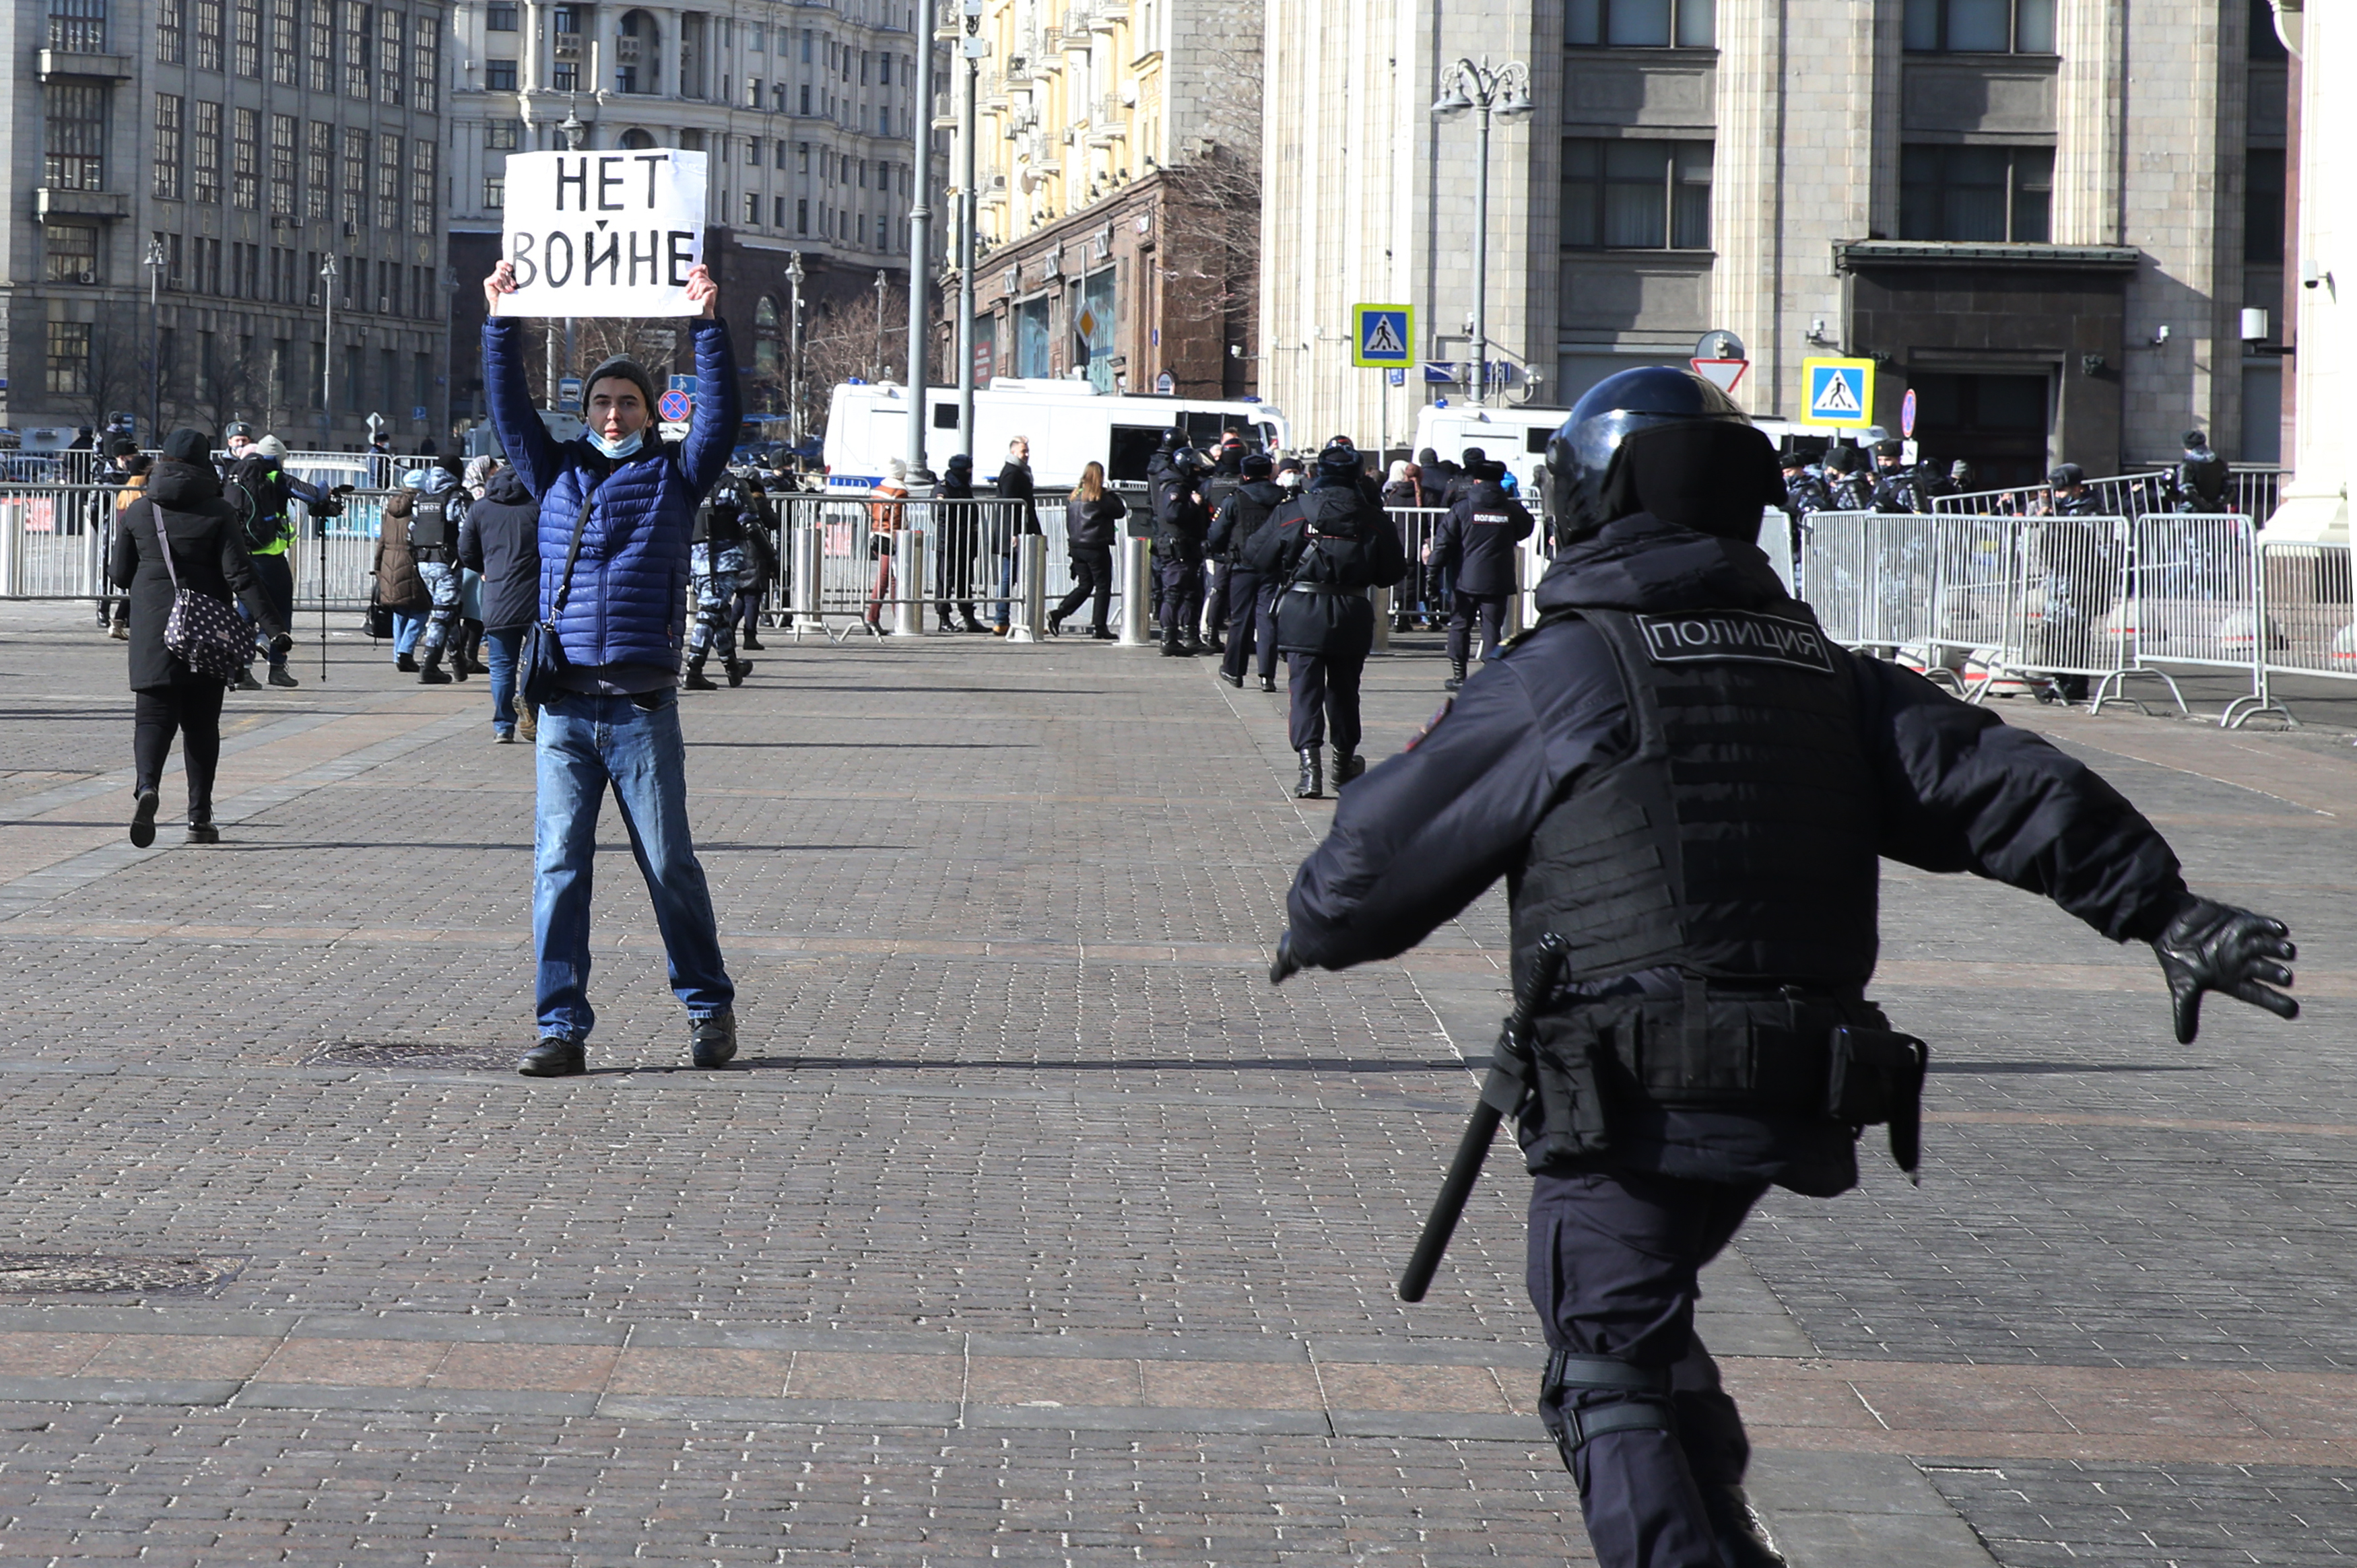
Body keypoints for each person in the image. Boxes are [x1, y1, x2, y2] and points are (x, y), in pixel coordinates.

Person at [1265, 366, 2300, 1568]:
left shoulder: (1569, 671)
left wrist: (1316, 925)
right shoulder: (1827, 670)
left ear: (1594, 494)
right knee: (1647, 1342)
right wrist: (2164, 908)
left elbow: (1379, 850)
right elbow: (2004, 782)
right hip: (1799, 1083)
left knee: (1605, 1366)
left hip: (1635, 1092)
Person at [481, 257, 741, 1077]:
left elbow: (720, 420)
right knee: (558, 867)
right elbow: (508, 410)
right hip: (562, 708)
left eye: (628, 401)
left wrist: (707, 323)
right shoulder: (554, 471)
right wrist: (500, 320)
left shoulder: (676, 475)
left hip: (638, 708)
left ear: (649, 410)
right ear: (584, 408)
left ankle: (708, 1008)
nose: (615, 413)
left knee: (668, 863)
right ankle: (561, 1027)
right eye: (601, 401)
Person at [110, 429, 292, 847]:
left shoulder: (139, 512)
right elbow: (240, 575)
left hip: (154, 628)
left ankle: (148, 787)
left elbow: (119, 574)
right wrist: (274, 627)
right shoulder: (218, 510)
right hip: (207, 630)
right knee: (201, 725)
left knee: (152, 718)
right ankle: (199, 819)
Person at [1243, 439, 1407, 797]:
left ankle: (1309, 770)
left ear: (1317, 473)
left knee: (1304, 691)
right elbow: (1392, 573)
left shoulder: (1294, 511)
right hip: (1351, 612)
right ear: (1356, 477)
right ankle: (1342, 763)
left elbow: (1256, 555)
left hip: (1302, 611)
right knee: (1346, 692)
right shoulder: (1373, 519)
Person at [1427, 460, 1535, 691]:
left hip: (1466, 579)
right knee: (1492, 628)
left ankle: (1459, 676)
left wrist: (1433, 571)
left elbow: (1444, 543)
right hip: (1499, 579)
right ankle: (1489, 676)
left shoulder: (1462, 508)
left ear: (1476, 481)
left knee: (1460, 625)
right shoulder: (1511, 509)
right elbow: (1526, 528)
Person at [458, 458, 541, 743]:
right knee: (535, 663)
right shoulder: (538, 507)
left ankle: (503, 726)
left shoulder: (480, 509)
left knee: (502, 665)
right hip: (535, 600)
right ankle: (532, 711)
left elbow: (466, 551)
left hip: (496, 597)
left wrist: (485, 569)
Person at [2034, 464, 2117, 704]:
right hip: (2058, 580)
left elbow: (2105, 548)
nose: (2057, 495)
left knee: (2076, 634)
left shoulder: (2091, 512)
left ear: (2077, 489)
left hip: (2081, 580)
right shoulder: (2058, 512)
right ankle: (2059, 680)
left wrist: (2101, 580)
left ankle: (2076, 683)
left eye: (2062, 491)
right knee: (2053, 632)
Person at [1208, 452, 1287, 687]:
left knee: (1241, 618)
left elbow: (1217, 534)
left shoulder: (1235, 499)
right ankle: (1267, 675)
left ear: (1244, 474)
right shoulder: (1284, 498)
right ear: (1268, 473)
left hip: (1242, 565)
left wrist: (1221, 552)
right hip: (1274, 566)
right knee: (1267, 619)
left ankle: (1234, 670)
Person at [684, 467, 758, 687]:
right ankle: (694, 669)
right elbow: (752, 521)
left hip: (696, 558)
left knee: (719, 613)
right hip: (723, 557)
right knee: (711, 611)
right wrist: (770, 556)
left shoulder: (691, 484)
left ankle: (733, 668)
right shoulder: (730, 484)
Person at [407, 461, 473, 682]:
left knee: (446, 611)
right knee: (443, 613)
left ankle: (458, 663)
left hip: (424, 561)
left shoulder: (421, 497)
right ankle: (430, 665)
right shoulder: (457, 497)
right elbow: (468, 532)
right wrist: (470, 559)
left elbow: (412, 531)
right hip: (448, 562)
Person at [1049, 460, 1125, 639]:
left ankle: (1059, 613)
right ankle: (1100, 627)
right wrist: (1112, 494)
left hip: (1077, 547)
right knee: (1102, 586)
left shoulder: (1075, 496)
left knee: (1085, 585)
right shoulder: (1100, 497)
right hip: (1096, 546)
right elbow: (1119, 511)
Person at [1153, 447, 1212, 656]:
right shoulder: (1175, 487)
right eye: (1194, 466)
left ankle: (1191, 636)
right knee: (1174, 593)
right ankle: (1168, 638)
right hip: (1177, 549)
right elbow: (1173, 515)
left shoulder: (1183, 484)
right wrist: (1194, 505)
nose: (1197, 470)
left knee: (1191, 595)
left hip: (1187, 550)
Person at [1197, 438, 1247, 652]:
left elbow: (1200, 513)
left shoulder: (1210, 484)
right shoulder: (1246, 484)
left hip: (1216, 546)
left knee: (1216, 589)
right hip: (1243, 546)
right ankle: (1243, 636)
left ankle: (1209, 632)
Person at [372, 485, 430, 669]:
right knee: (422, 610)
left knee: (400, 611)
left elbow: (382, 539)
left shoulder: (391, 507)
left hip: (389, 562)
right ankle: (405, 651)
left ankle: (398, 655)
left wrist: (377, 567)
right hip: (411, 561)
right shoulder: (420, 505)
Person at [934, 452, 989, 632]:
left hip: (966, 544)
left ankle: (969, 618)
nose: (970, 472)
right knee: (945, 581)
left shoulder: (965, 487)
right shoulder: (944, 488)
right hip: (949, 544)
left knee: (965, 582)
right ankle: (943, 619)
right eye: (968, 469)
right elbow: (939, 514)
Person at [991, 437, 1039, 634]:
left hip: (1018, 531)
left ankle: (1009, 618)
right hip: (1013, 533)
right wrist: (1014, 532)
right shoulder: (1012, 473)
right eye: (1023, 451)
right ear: (1013, 452)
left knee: (1013, 575)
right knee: (1009, 575)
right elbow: (1010, 505)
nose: (1026, 455)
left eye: (1027, 451)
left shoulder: (1018, 472)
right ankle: (1002, 619)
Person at [106, 452, 153, 640]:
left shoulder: (124, 493)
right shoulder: (145, 493)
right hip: (142, 544)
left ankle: (117, 622)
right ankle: (119, 621)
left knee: (133, 587)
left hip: (126, 543)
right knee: (137, 588)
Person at [865, 457, 909, 635]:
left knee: (889, 578)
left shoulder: (879, 490)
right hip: (891, 537)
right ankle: (874, 618)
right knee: (886, 579)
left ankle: (893, 618)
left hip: (877, 534)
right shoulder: (899, 492)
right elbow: (899, 519)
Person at [2176, 429, 2230, 512]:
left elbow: (2186, 490)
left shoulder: (2187, 464)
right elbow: (2230, 488)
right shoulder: (2220, 463)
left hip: (2190, 511)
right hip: (2217, 511)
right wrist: (2218, 503)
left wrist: (2204, 506)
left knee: (2178, 524)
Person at [1823, 444, 1874, 510]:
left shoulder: (1853, 486)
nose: (1826, 471)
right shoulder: (1834, 487)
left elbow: (1861, 511)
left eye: (1829, 467)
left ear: (1836, 469)